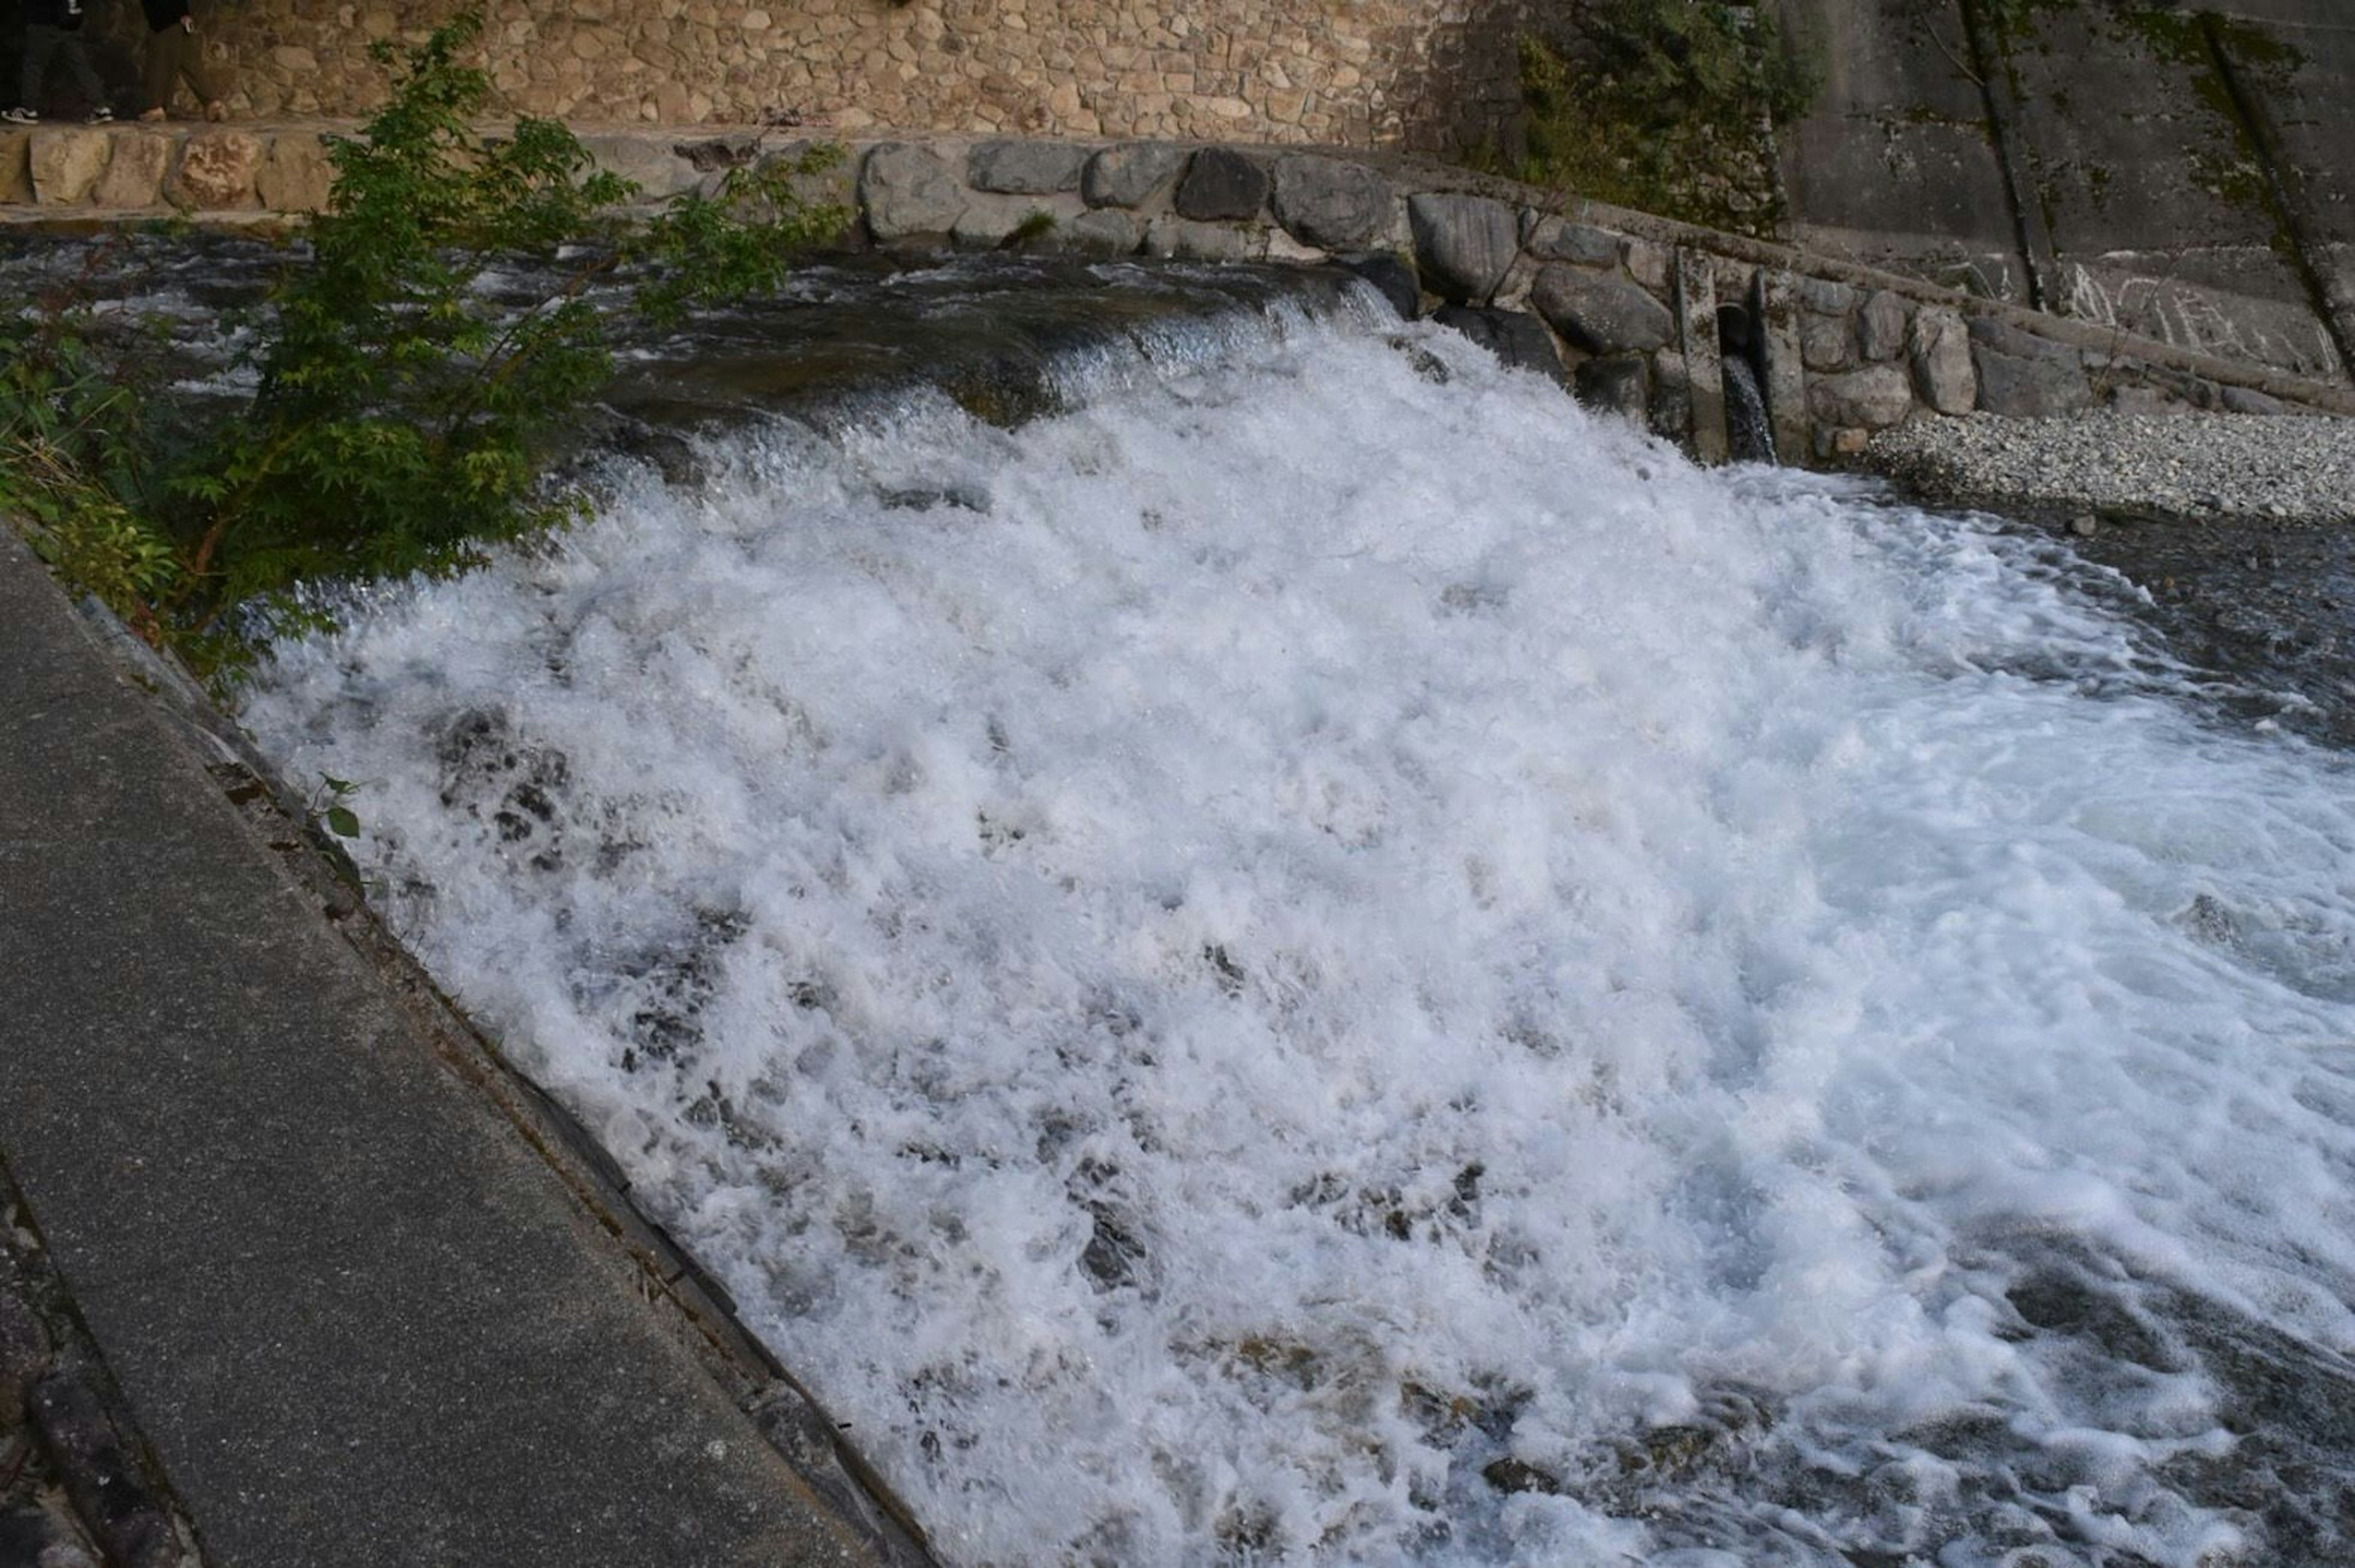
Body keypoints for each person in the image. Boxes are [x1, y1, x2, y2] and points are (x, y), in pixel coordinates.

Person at [5, 0, 112, 124]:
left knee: (34, 65)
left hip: (44, 21)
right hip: (70, 20)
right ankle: (101, 107)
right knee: (80, 65)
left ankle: (28, 110)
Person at [136, 0, 226, 122]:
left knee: (159, 60)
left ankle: (156, 106)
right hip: (177, 18)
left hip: (164, 17)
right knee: (189, 61)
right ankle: (212, 103)